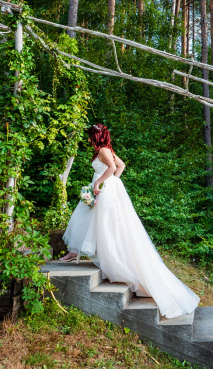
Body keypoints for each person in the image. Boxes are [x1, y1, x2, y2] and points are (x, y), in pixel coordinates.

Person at [60, 124, 200, 318]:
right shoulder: (106, 149)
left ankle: (95, 257)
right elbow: (121, 166)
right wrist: (111, 182)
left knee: (105, 226)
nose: (89, 139)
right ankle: (73, 251)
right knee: (87, 217)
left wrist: (102, 183)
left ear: (96, 136)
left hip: (104, 188)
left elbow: (113, 167)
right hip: (106, 188)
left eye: (91, 136)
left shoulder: (103, 150)